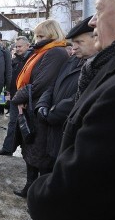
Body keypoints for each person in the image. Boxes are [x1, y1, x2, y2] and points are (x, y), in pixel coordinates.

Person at [27, 0, 115, 220]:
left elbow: (75, 193)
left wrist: (39, 192)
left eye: (100, 10)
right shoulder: (106, 66)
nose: (93, 22)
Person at [11, 19, 69, 198]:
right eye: (36, 35)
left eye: (41, 35)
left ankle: (40, 194)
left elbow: (40, 84)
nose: (37, 39)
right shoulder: (42, 52)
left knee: (41, 154)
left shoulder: (56, 53)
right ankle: (30, 187)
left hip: (40, 109)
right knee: (30, 150)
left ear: (52, 34)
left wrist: (17, 98)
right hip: (31, 107)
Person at [35, 15, 97, 169]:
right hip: (54, 133)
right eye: (73, 42)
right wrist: (42, 105)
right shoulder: (72, 60)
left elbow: (79, 98)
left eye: (79, 42)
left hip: (66, 129)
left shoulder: (97, 67)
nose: (73, 47)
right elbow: (52, 85)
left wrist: (52, 113)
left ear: (96, 39)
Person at [0, 36, 32, 156]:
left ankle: (27, 150)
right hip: (14, 96)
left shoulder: (31, 59)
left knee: (27, 124)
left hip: (26, 98)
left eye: (20, 46)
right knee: (12, 123)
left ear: (28, 45)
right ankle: (8, 148)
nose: (17, 49)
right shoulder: (16, 59)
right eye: (16, 46)